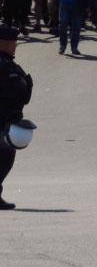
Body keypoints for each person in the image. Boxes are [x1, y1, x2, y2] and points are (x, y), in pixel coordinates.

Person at [0, 25, 33, 210]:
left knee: (6, 158)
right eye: (12, 41)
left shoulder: (10, 64)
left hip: (9, 120)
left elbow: (24, 95)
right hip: (3, 119)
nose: (15, 45)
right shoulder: (4, 65)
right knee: (4, 158)